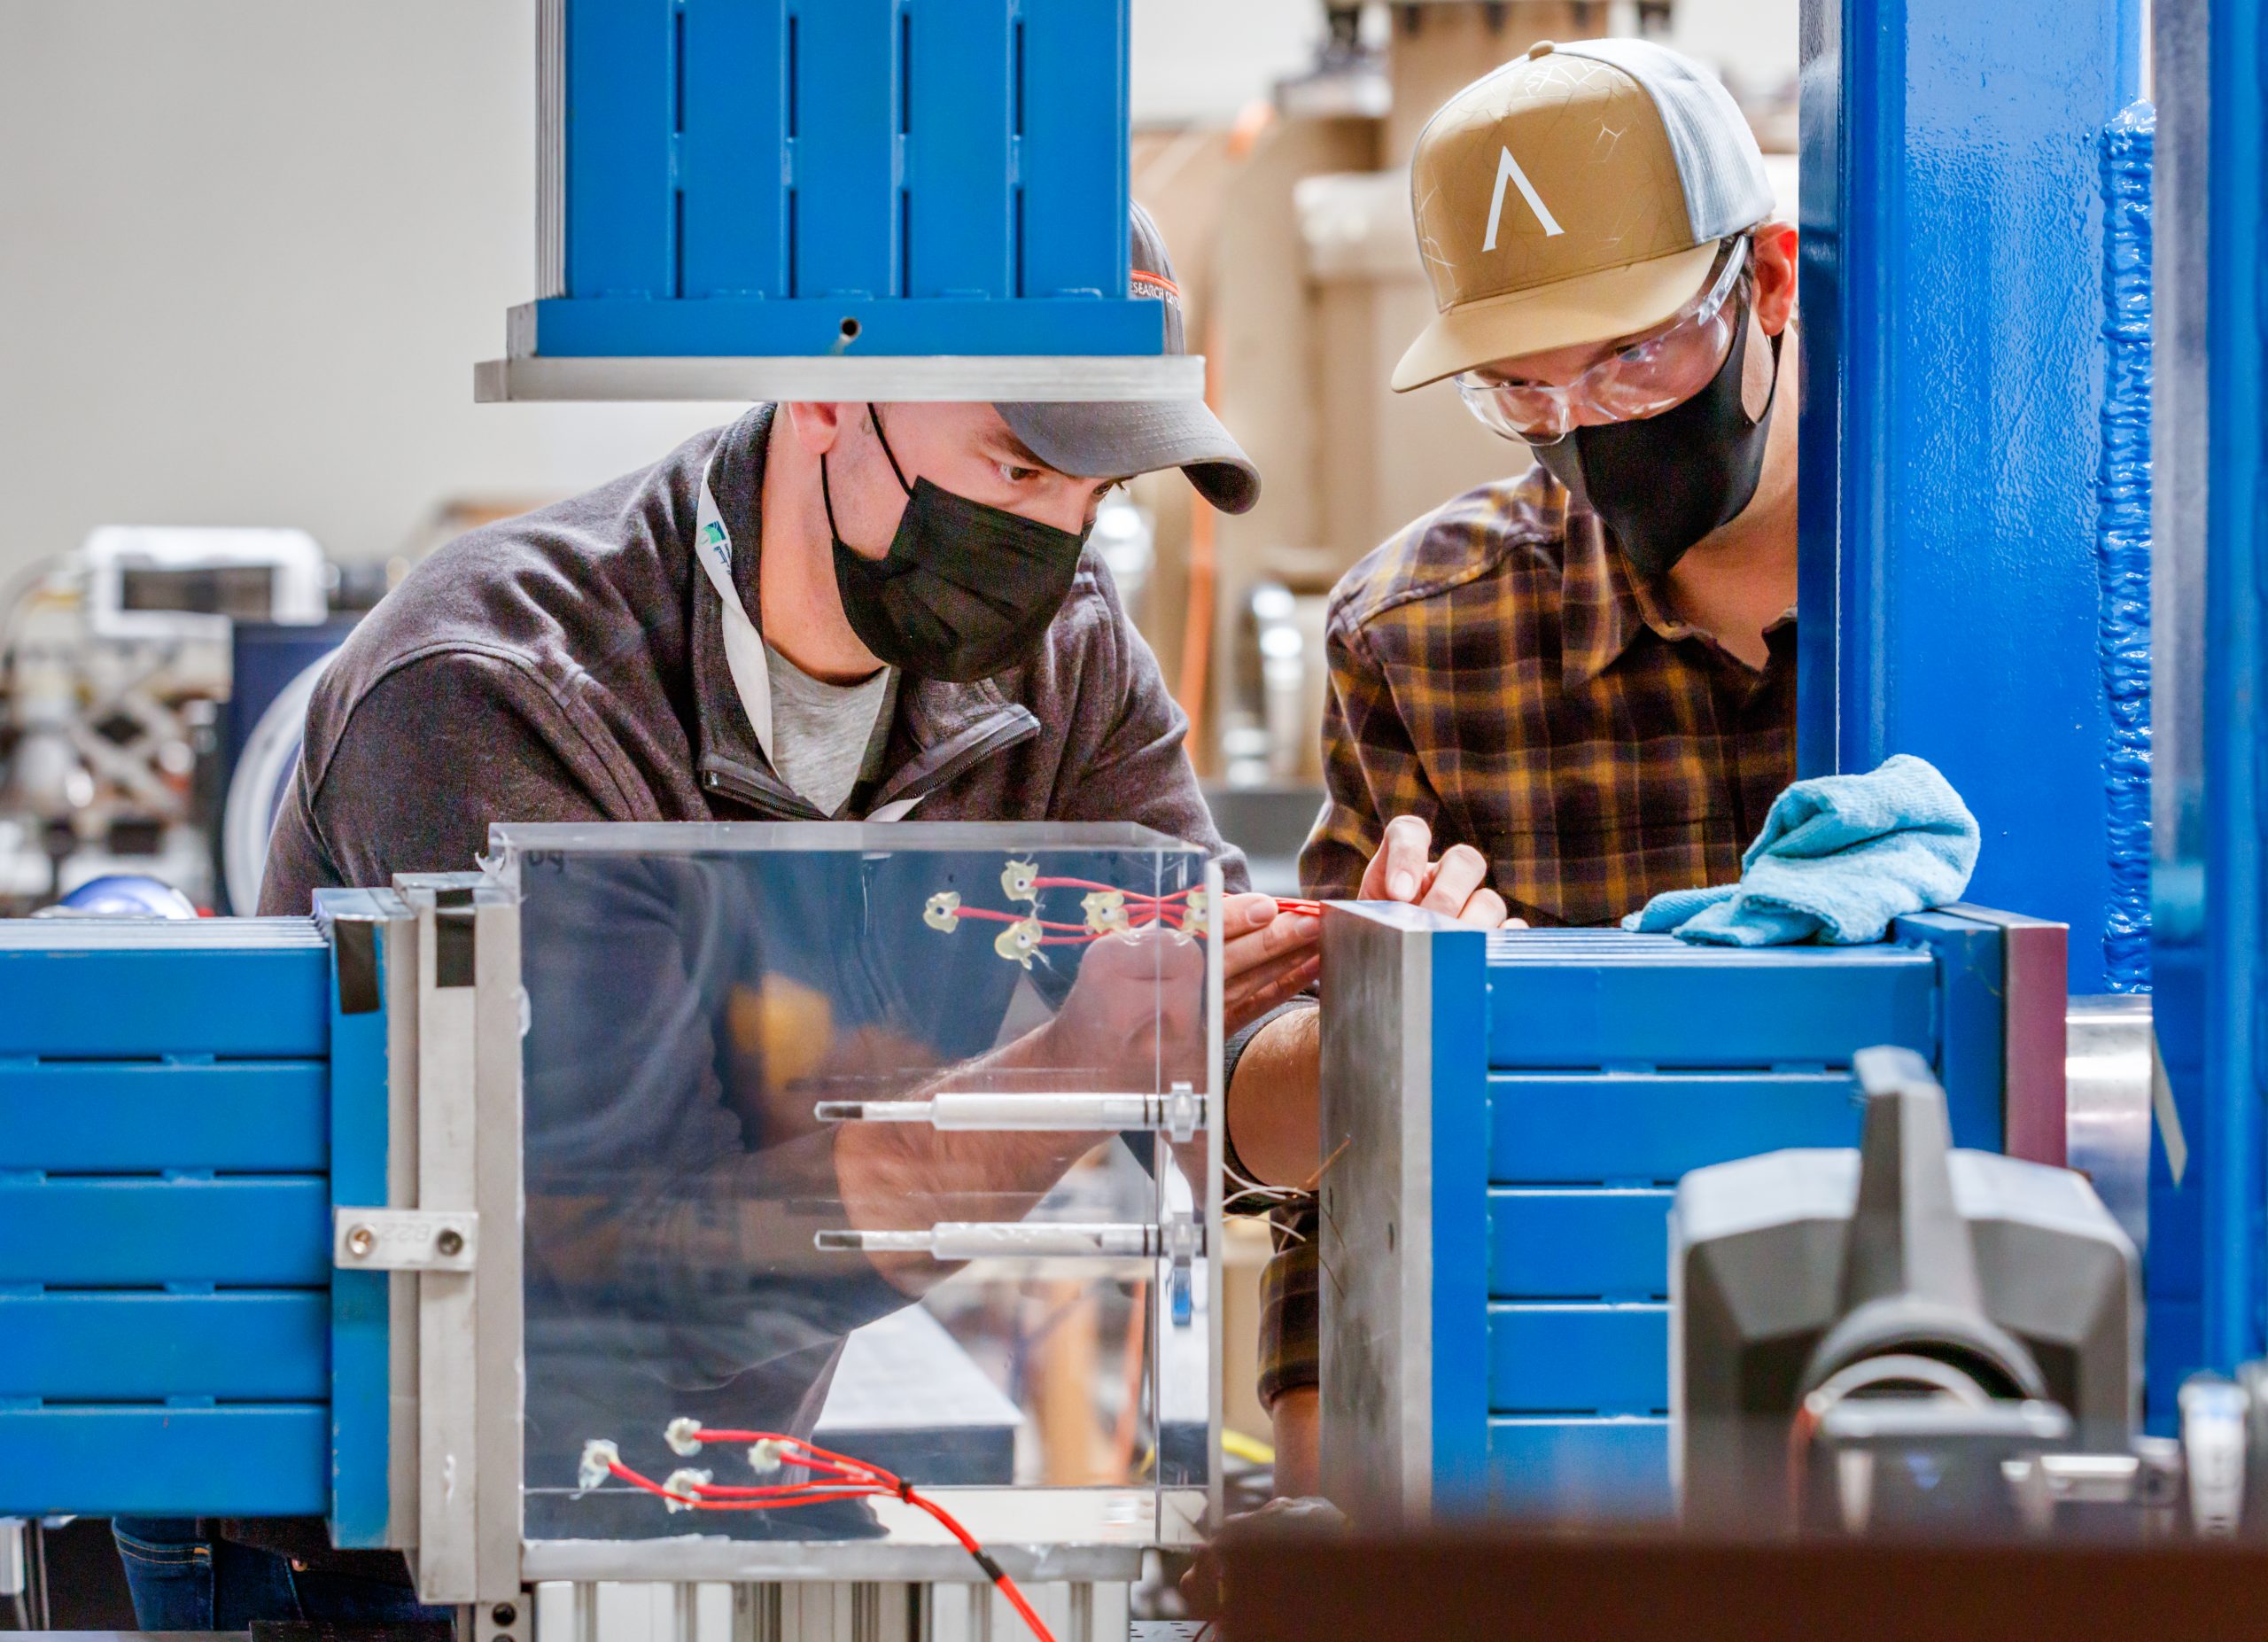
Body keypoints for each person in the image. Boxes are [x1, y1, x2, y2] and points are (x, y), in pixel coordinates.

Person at [113, 207, 1320, 1630]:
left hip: (669, 1492)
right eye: (1019, 464)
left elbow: (1216, 1062)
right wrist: (1070, 1076)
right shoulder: (498, 691)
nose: (1056, 541)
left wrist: (1365, 1020)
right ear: (827, 382)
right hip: (367, 1539)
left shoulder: (1063, 660)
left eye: (1101, 493)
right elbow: (626, 1266)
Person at [1226, 38, 1800, 1495]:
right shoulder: (1427, 640)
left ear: (1770, 284)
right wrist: (1384, 1021)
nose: (1586, 429)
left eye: (1632, 357)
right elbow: (1312, 1171)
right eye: (1523, 390)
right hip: (1558, 1457)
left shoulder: (1995, 603)